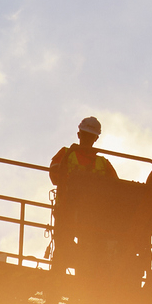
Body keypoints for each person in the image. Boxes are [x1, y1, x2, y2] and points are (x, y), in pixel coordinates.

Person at [50, 116, 119, 277]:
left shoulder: (103, 162)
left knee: (88, 252)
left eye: (90, 136)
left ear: (95, 138)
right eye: (86, 135)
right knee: (64, 249)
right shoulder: (66, 154)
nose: (87, 138)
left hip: (92, 216)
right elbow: (54, 176)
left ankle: (78, 282)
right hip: (68, 211)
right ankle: (59, 280)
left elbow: (117, 190)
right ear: (79, 135)